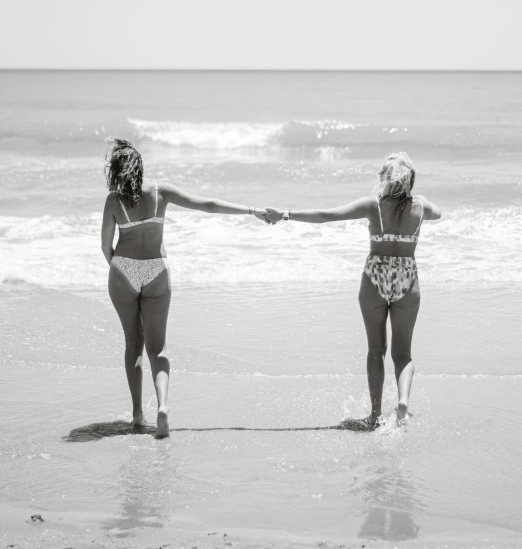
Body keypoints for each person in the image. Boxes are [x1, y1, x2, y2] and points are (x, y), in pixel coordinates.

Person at [101, 138, 268, 438]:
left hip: (123, 269)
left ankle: (138, 414)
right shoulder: (159, 192)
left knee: (133, 344)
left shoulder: (113, 201)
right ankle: (162, 406)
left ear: (116, 171)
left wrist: (121, 270)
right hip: (156, 269)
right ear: (140, 168)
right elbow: (209, 206)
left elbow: (105, 246)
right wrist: (251, 210)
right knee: (158, 347)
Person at [264, 152, 441, 428]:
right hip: (408, 276)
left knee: (375, 350)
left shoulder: (374, 205)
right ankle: (403, 401)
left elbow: (326, 216)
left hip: (375, 276)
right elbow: (439, 213)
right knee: (403, 353)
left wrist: (284, 214)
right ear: (410, 180)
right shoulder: (422, 207)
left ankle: (375, 414)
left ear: (385, 178)